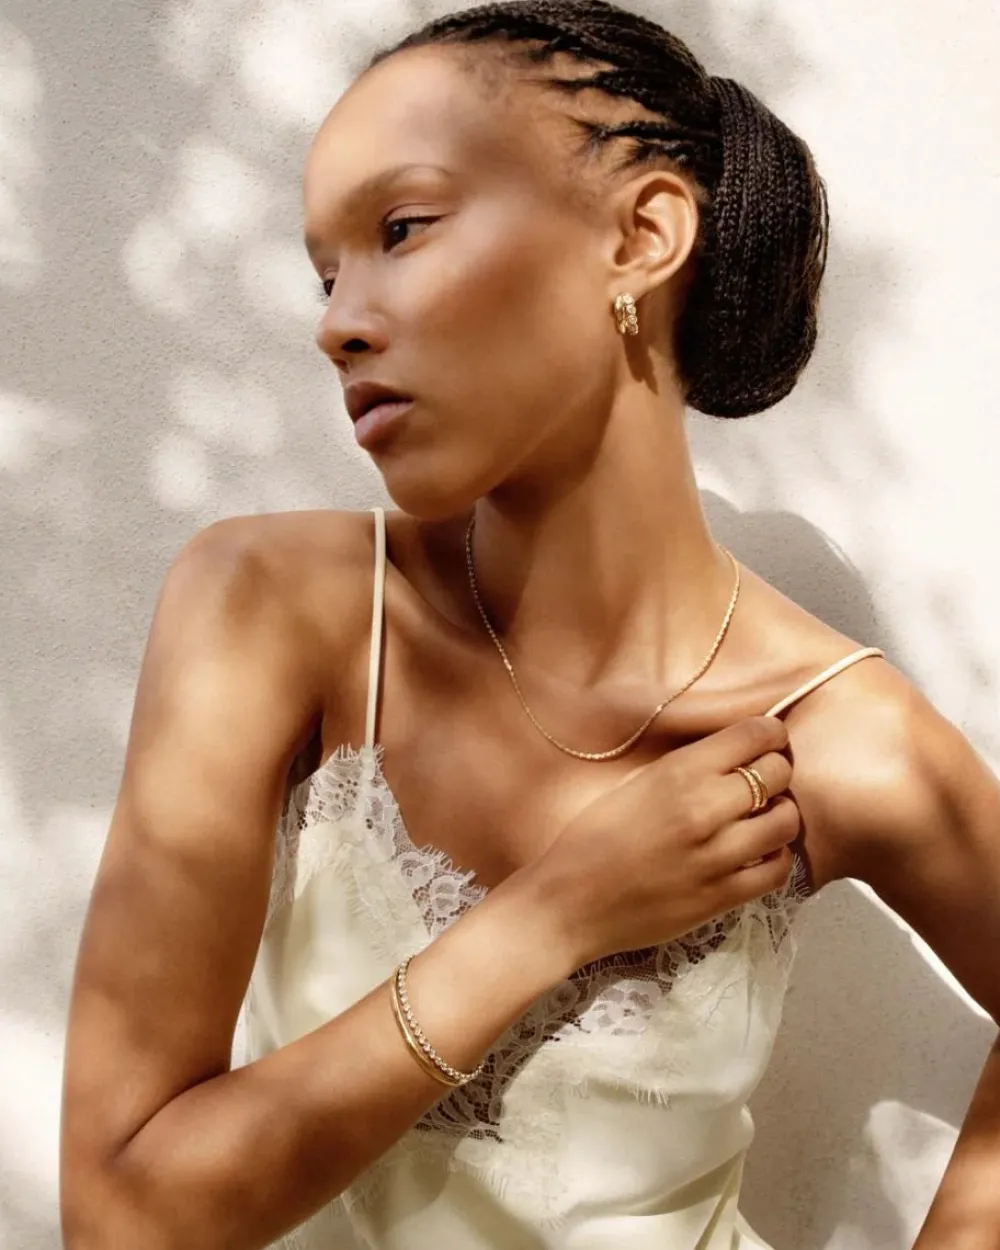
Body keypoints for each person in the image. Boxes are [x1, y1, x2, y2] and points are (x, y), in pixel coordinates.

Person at [60, 3, 1000, 1249]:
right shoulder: (271, 604)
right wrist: (554, 914)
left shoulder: (837, 735)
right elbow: (119, 1219)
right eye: (327, 271)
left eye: (402, 228)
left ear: (640, 235)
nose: (335, 321)